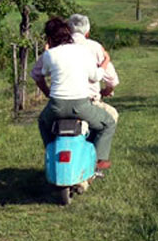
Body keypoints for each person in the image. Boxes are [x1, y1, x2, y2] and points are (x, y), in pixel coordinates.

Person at [33, 17, 116, 171]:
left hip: (56, 105)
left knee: (43, 122)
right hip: (81, 105)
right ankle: (98, 160)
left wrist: (47, 93)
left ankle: (51, 150)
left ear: (50, 38)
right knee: (108, 123)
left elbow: (39, 75)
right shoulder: (83, 52)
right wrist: (105, 61)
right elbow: (96, 77)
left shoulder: (49, 54)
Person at [66, 13, 119, 122]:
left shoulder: (59, 47)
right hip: (88, 102)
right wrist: (107, 90)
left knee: (44, 122)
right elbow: (111, 79)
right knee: (111, 118)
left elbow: (38, 74)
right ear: (87, 33)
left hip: (63, 103)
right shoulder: (95, 47)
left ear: (68, 30)